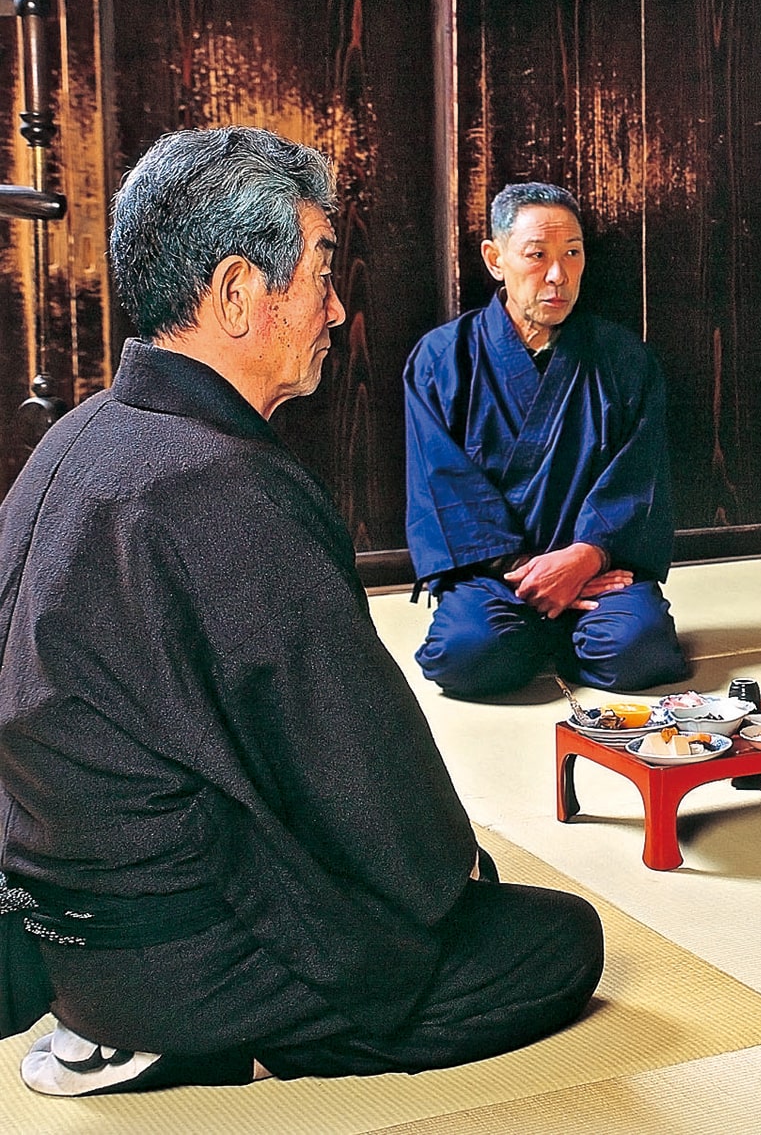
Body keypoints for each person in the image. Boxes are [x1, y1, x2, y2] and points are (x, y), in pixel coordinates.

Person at [0, 128, 603, 1097]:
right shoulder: (222, 484)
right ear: (238, 290)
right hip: (185, 938)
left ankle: (123, 1018)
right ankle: (205, 1036)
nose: (334, 308)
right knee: (554, 941)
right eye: (320, 272)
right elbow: (350, 755)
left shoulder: (85, 435)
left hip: (59, 910)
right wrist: (446, 884)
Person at [404, 182, 690, 700]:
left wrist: (583, 560)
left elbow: (638, 478)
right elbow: (442, 488)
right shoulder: (442, 360)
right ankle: (542, 628)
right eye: (537, 256)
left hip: (596, 566)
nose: (558, 276)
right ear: (496, 259)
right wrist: (529, 574)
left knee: (640, 649)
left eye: (572, 254)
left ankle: (545, 634)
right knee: (467, 654)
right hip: (495, 576)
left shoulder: (624, 360)